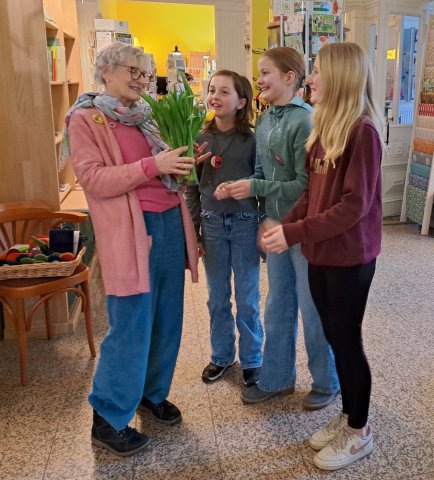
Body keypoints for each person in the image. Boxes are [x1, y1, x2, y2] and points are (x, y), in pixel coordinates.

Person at [63, 43, 200, 457]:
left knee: (167, 318)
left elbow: (163, 170)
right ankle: (107, 417)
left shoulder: (147, 117)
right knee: (131, 324)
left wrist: (183, 163)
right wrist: (153, 166)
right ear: (106, 71)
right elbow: (93, 178)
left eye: (146, 73)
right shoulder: (86, 118)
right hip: (131, 232)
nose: (142, 80)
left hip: (170, 224)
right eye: (133, 71)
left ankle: (151, 394)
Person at [262, 42, 383, 471]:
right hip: (321, 253)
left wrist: (293, 232)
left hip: (350, 258)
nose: (310, 78)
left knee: (347, 341)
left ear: (341, 78)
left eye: (317, 71)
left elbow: (354, 206)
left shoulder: (362, 132)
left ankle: (359, 431)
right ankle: (348, 416)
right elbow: (311, 195)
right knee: (334, 336)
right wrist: (286, 227)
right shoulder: (323, 130)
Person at [215, 47, 339, 409]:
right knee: (277, 307)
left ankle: (327, 381)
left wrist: (254, 187)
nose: (259, 79)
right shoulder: (266, 119)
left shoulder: (306, 121)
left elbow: (306, 185)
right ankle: (277, 379)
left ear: (290, 77)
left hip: (303, 230)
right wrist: (258, 207)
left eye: (266, 72)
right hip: (276, 228)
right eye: (259, 73)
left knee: (313, 310)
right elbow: (261, 172)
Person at [184, 70, 264, 387]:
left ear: (241, 102)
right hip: (212, 225)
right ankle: (221, 356)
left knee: (247, 299)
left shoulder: (253, 140)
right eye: (212, 90)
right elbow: (191, 188)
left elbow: (263, 185)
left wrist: (264, 227)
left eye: (224, 92)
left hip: (245, 224)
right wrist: (194, 232)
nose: (214, 96)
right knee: (217, 298)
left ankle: (252, 359)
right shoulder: (198, 138)